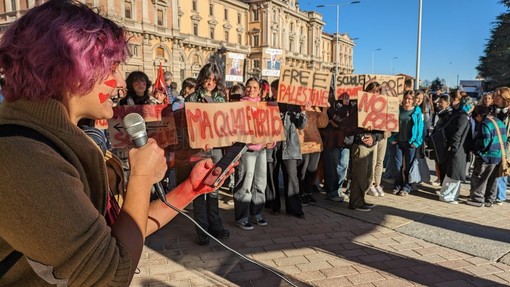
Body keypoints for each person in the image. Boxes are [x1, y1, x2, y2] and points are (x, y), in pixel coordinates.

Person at [0, 1, 234, 285]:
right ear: (71, 69)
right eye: (111, 68)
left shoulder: (58, 139)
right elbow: (111, 274)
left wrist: (189, 190)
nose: (121, 81)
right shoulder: (24, 159)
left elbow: (117, 235)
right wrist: (142, 178)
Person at [186, 63, 231, 245]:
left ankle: (215, 226)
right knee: (198, 190)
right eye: (208, 78)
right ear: (202, 78)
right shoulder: (192, 98)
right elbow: (187, 125)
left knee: (214, 188)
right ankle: (202, 230)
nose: (210, 82)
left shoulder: (221, 99)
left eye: (214, 79)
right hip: (198, 149)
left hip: (217, 149)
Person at [233, 78, 271, 230]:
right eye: (249, 87)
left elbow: (271, 127)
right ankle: (242, 217)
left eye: (255, 87)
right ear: (245, 89)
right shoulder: (239, 105)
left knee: (260, 182)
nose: (251, 90)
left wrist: (271, 141)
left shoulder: (264, 106)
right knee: (245, 184)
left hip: (261, 149)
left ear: (260, 90)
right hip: (247, 149)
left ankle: (257, 213)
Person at [467, 105, 507, 207]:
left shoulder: (485, 124)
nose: (476, 120)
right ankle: (490, 200)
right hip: (499, 155)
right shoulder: (499, 122)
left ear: (479, 115)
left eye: (476, 117)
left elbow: (485, 141)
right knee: (492, 179)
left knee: (480, 177)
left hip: (487, 156)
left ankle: (477, 199)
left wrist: (477, 151)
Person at [437, 96, 474, 203]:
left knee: (456, 173)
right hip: (459, 150)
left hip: (459, 150)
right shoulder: (462, 117)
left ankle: (453, 195)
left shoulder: (459, 115)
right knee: (454, 173)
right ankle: (447, 196)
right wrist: (455, 149)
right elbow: (457, 135)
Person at [389, 90, 424, 196]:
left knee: (409, 166)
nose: (407, 100)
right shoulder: (398, 110)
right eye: (406, 98)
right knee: (397, 165)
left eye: (410, 98)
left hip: (411, 143)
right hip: (398, 141)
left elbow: (420, 129)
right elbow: (390, 123)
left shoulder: (417, 112)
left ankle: (407, 186)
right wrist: (391, 138)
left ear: (413, 100)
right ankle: (397, 185)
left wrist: (417, 142)